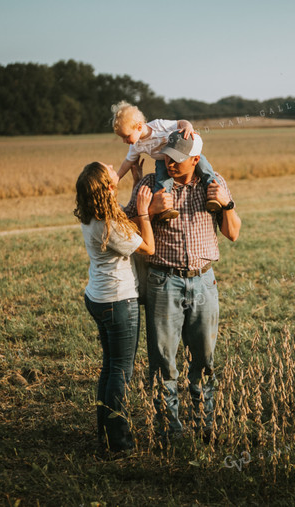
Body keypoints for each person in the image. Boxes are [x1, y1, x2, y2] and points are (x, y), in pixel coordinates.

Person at [124, 131, 241, 441]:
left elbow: (233, 233)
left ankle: (206, 426)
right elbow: (126, 230)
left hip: (204, 281)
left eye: (177, 159)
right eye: (167, 157)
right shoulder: (150, 185)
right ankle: (169, 432)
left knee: (204, 360)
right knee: (163, 361)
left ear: (195, 159)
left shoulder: (213, 183)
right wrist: (149, 211)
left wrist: (226, 204)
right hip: (163, 281)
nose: (170, 163)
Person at [74, 161, 155, 452]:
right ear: (108, 187)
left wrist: (135, 182)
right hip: (118, 302)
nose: (112, 165)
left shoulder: (96, 214)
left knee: (110, 368)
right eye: (109, 170)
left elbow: (124, 218)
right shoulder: (108, 225)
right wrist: (146, 212)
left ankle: (105, 432)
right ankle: (119, 443)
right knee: (121, 371)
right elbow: (147, 246)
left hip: (99, 297)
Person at [111, 101, 223, 220]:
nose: (124, 141)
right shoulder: (135, 146)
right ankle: (165, 210)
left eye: (126, 136)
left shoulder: (158, 125)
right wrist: (116, 178)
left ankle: (215, 195)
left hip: (183, 154)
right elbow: (127, 162)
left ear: (139, 127)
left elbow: (180, 122)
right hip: (162, 160)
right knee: (162, 182)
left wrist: (188, 127)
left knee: (205, 168)